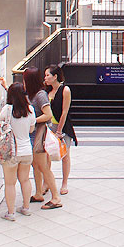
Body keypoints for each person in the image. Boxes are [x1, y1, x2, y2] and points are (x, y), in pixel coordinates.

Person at [23, 67, 63, 209]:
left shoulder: (40, 95)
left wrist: (32, 120)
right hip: (33, 135)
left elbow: (47, 115)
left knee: (43, 167)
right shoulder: (31, 94)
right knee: (36, 166)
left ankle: (56, 197)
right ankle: (39, 193)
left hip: (39, 135)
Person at [0, 82, 35, 220]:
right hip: (27, 151)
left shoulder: (7, 109)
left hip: (11, 152)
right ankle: (26, 208)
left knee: (10, 183)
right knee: (25, 180)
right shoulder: (30, 109)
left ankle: (11, 213)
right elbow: (31, 129)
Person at [44, 65, 76, 195]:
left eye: (47, 75)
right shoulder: (46, 91)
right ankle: (46, 182)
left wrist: (59, 130)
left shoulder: (64, 90)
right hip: (48, 126)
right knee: (46, 155)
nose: (45, 78)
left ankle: (64, 183)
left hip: (61, 127)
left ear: (55, 76)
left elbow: (64, 111)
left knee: (65, 155)